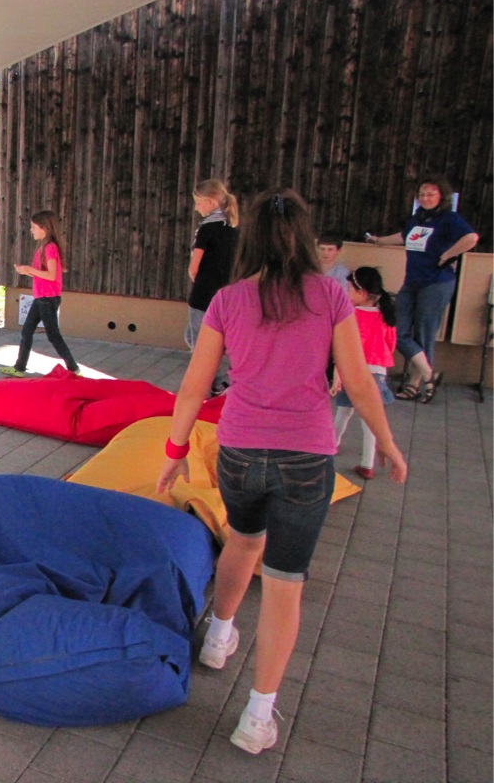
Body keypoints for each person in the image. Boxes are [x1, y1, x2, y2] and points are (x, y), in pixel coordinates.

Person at [156, 189, 407, 756]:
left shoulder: (228, 300)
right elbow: (358, 381)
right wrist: (388, 444)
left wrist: (175, 450)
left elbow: (194, 386)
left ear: (252, 240)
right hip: (306, 457)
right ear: (304, 239)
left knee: (243, 540)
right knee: (285, 584)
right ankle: (256, 717)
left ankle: (218, 638)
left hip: (240, 450)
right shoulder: (332, 295)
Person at [367, 176, 478, 402]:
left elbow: (471, 238)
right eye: (422, 194)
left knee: (424, 332)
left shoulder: (449, 219)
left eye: (430, 194)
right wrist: (379, 240)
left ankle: (415, 384)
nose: (425, 198)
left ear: (441, 196)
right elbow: (404, 236)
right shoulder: (417, 218)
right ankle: (430, 374)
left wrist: (448, 254)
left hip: (437, 282)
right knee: (397, 328)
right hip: (412, 281)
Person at [331, 267, 397, 479]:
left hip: (353, 369)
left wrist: (337, 372)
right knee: (370, 418)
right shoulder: (386, 315)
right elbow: (390, 344)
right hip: (378, 370)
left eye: (349, 288)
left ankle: (332, 444)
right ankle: (367, 464)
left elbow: (342, 346)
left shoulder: (350, 315)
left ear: (362, 292)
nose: (346, 292)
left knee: (343, 410)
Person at [0, 211, 80, 377]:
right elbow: (43, 275)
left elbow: (51, 275)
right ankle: (19, 368)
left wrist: (30, 269)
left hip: (47, 299)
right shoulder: (45, 247)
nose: (31, 230)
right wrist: (26, 271)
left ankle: (74, 369)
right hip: (41, 297)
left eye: (34, 227)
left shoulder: (50, 248)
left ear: (44, 229)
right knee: (26, 331)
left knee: (53, 336)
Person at [186, 179, 239, 394]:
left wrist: (198, 279)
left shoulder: (207, 228)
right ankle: (221, 383)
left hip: (203, 294)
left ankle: (206, 388)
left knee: (198, 343)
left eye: (198, 203)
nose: (196, 208)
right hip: (228, 295)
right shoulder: (234, 227)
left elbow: (194, 267)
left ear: (209, 202)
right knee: (221, 340)